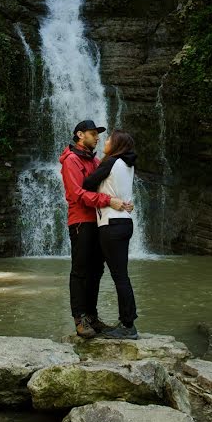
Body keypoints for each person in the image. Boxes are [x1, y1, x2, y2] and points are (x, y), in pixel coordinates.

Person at [59, 120, 133, 339]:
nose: (98, 137)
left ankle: (91, 316)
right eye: (93, 134)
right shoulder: (72, 160)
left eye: (99, 134)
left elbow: (109, 184)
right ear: (80, 135)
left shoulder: (95, 160)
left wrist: (123, 201)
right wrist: (109, 200)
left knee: (96, 271)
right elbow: (77, 194)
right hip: (81, 221)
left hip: (101, 221)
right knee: (80, 270)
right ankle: (79, 318)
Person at [82, 130, 139, 340]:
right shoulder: (128, 164)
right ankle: (125, 321)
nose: (104, 142)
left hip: (111, 223)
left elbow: (87, 183)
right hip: (124, 222)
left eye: (108, 140)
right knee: (121, 275)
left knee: (120, 277)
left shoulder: (111, 161)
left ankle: (128, 325)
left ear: (116, 145)